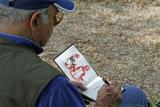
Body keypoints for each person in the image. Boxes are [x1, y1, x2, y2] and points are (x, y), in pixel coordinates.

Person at [0, 0, 150, 107]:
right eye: (55, 18)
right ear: (35, 20)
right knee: (133, 96)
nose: (54, 25)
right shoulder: (53, 86)